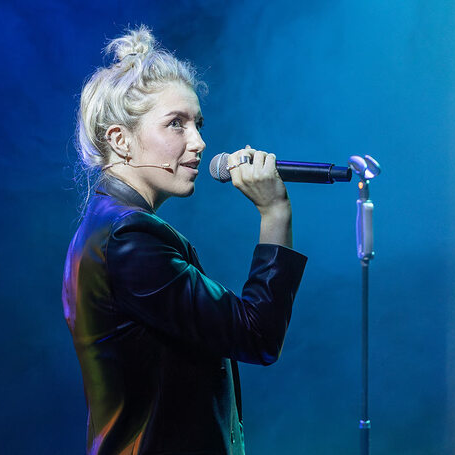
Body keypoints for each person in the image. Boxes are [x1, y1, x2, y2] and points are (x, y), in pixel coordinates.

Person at [62, 26, 307, 455]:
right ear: (120, 140)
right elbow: (256, 334)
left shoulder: (110, 228)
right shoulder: (129, 238)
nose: (198, 142)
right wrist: (275, 213)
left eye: (197, 123)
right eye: (176, 124)